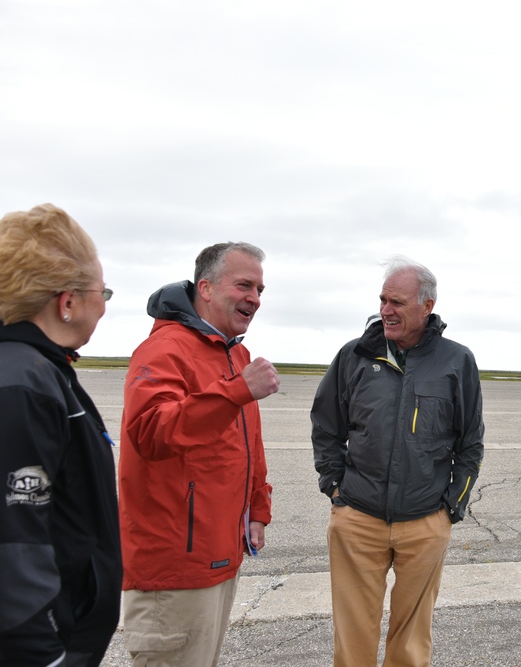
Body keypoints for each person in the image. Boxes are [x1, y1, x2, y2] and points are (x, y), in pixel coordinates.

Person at [311, 256, 485, 666]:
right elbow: (326, 426)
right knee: (353, 640)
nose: (386, 310)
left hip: (425, 522)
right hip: (357, 518)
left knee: (411, 643)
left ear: (427, 305)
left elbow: (471, 442)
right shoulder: (354, 356)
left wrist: (451, 508)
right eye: (383, 300)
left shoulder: (456, 361)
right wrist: (334, 486)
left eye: (397, 302)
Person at [118, 241, 280, 666]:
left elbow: (247, 445)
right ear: (205, 288)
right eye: (244, 285)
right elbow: (151, 432)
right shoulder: (165, 348)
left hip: (220, 555)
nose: (255, 298)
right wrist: (237, 391)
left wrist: (257, 509)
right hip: (174, 566)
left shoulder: (234, 353)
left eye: (260, 289)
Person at [0, 204, 122, 666]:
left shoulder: (39, 372)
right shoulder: (24, 385)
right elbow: (14, 543)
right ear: (67, 302)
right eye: (101, 291)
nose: (105, 305)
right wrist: (44, 654)